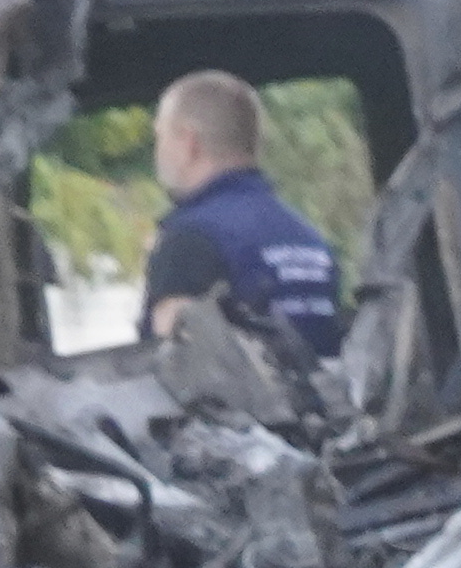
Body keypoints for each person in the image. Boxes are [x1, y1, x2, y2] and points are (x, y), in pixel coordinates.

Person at [142, 72, 343, 358]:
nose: (157, 152)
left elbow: (173, 362)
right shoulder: (310, 239)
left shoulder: (189, 240)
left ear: (189, 142)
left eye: (160, 136)